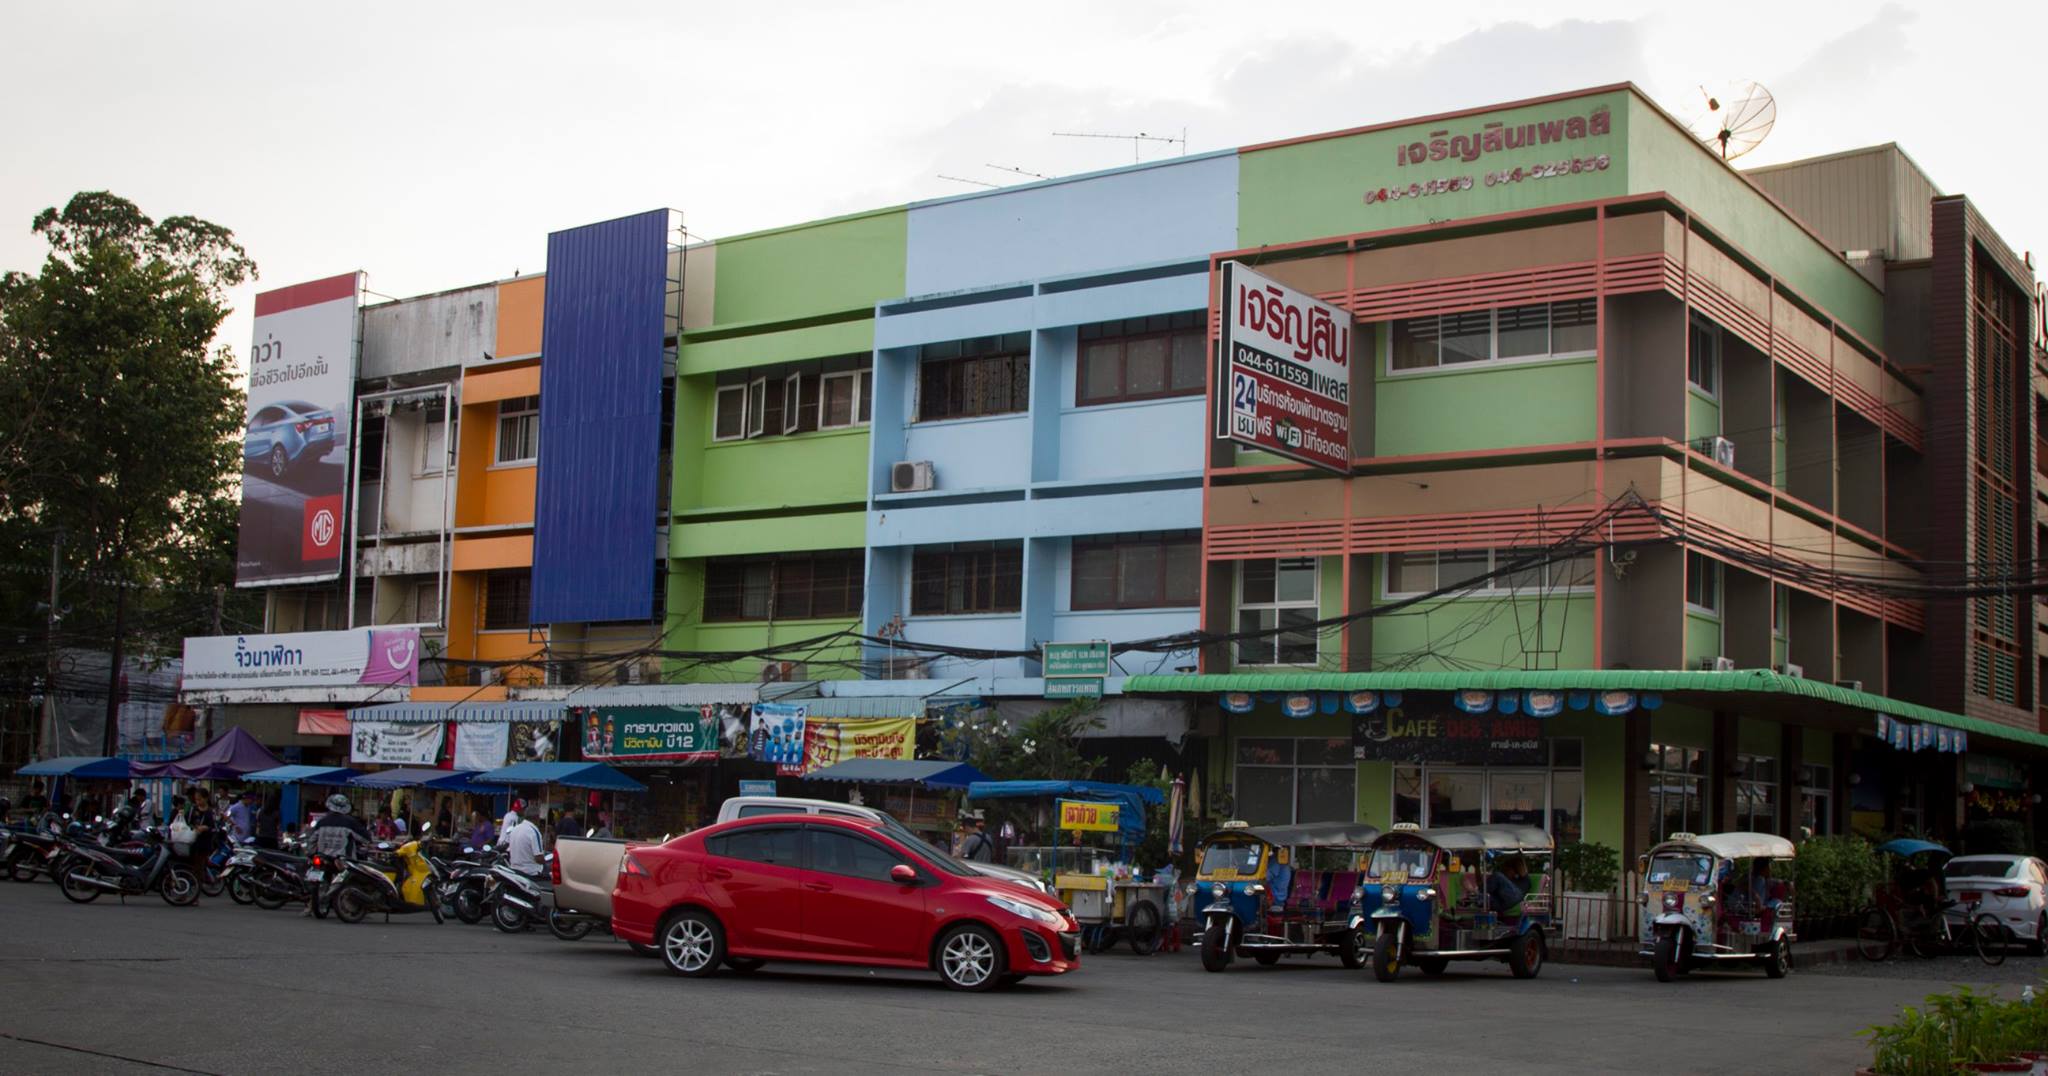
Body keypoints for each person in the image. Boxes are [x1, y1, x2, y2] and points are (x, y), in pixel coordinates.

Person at [305, 794, 373, 917]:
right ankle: (351, 905)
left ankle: (312, 905)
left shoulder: (322, 822)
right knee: (354, 879)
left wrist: (310, 853)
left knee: (322, 881)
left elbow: (311, 840)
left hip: (322, 857)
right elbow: (366, 839)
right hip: (342, 860)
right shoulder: (350, 822)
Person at [502, 806, 544, 877]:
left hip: (514, 870)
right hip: (531, 872)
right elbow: (539, 858)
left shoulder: (515, 829)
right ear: (537, 817)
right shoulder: (534, 831)